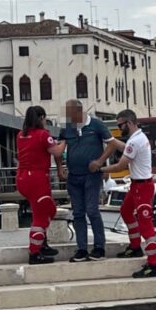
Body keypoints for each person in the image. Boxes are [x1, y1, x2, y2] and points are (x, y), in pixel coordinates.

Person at [88, 109, 156, 278]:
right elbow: (126, 148)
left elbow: (121, 165)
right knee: (126, 212)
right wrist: (112, 141)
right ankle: (135, 247)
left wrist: (99, 169)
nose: (119, 128)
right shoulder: (136, 139)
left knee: (146, 226)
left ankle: (153, 264)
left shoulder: (135, 142)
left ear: (128, 123)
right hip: (137, 185)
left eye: (120, 125)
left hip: (142, 187)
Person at [59, 99, 116, 262]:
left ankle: (99, 247)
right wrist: (59, 166)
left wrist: (99, 162)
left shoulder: (96, 125)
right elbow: (60, 147)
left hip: (92, 175)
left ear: (79, 112)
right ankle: (82, 249)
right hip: (73, 176)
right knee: (77, 213)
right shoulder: (66, 129)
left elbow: (111, 145)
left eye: (69, 114)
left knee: (92, 210)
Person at [16, 106, 66, 264]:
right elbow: (57, 152)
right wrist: (64, 141)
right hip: (37, 178)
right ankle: (35, 252)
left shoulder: (21, 135)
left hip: (23, 178)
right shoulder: (43, 135)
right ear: (42, 118)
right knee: (42, 216)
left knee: (48, 209)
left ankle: (42, 242)